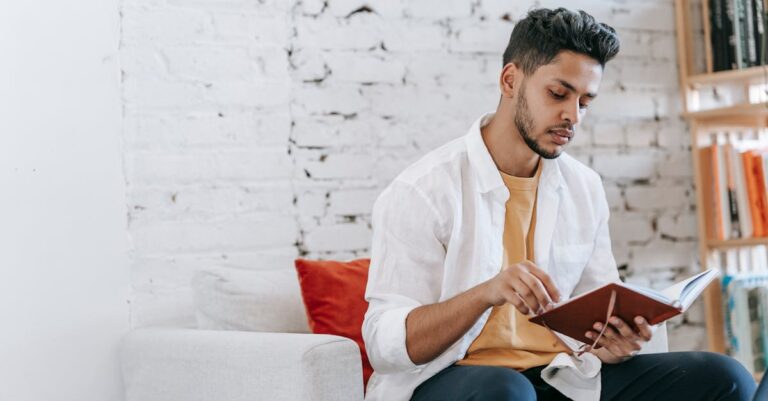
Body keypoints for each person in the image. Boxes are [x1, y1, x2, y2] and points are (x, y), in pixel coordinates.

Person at [361, 7, 756, 401]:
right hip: (457, 381)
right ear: (510, 80)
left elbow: (596, 316)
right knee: (507, 390)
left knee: (724, 376)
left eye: (585, 101)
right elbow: (385, 343)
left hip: (562, 376)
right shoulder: (422, 190)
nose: (573, 116)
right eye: (558, 93)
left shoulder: (583, 187)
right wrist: (487, 292)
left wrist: (615, 341)